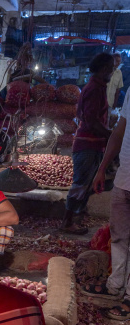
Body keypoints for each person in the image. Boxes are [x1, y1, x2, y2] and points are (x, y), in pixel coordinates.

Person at [88, 91, 130, 320]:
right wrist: (102, 167)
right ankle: (115, 286)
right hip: (125, 178)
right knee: (119, 236)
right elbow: (120, 131)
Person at [61, 53, 114, 235]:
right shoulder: (94, 89)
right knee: (81, 184)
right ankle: (67, 221)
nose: (112, 71)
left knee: (88, 183)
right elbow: (91, 120)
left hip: (92, 144)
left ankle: (77, 216)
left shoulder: (98, 88)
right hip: (87, 144)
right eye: (110, 67)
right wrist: (110, 135)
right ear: (104, 68)